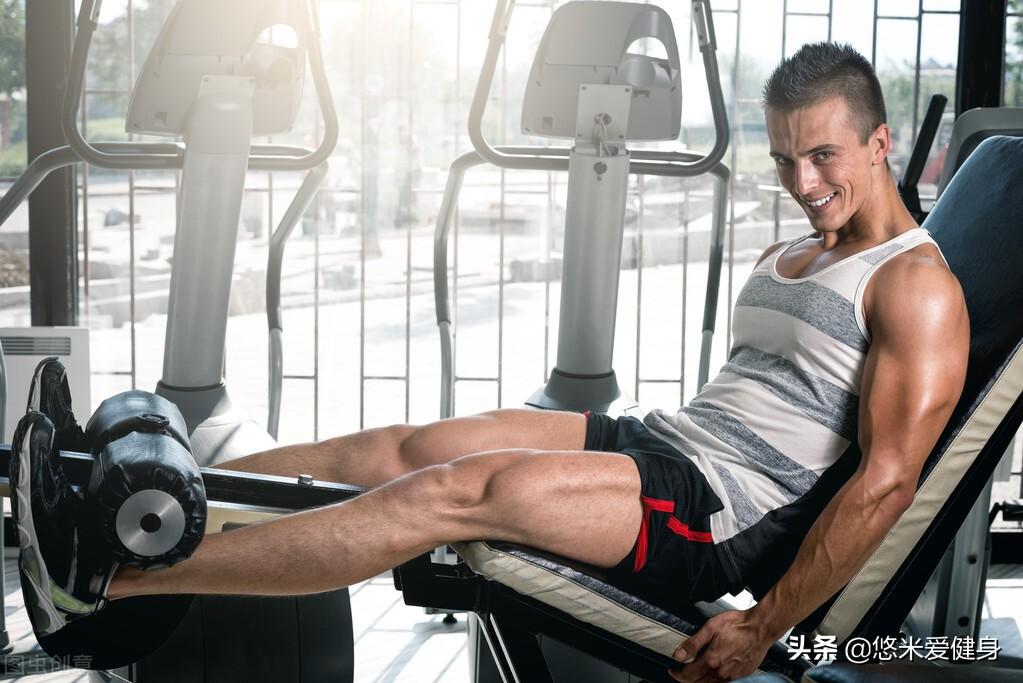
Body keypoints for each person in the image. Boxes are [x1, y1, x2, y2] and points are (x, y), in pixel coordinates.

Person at [11, 42, 968, 682]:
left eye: (824, 157)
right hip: (662, 442)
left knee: (452, 492)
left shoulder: (914, 287)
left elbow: (884, 482)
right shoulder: (796, 248)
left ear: (879, 144)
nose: (802, 182)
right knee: (407, 444)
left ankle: (107, 586)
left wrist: (764, 625)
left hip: (714, 511)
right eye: (785, 159)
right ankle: (127, 504)